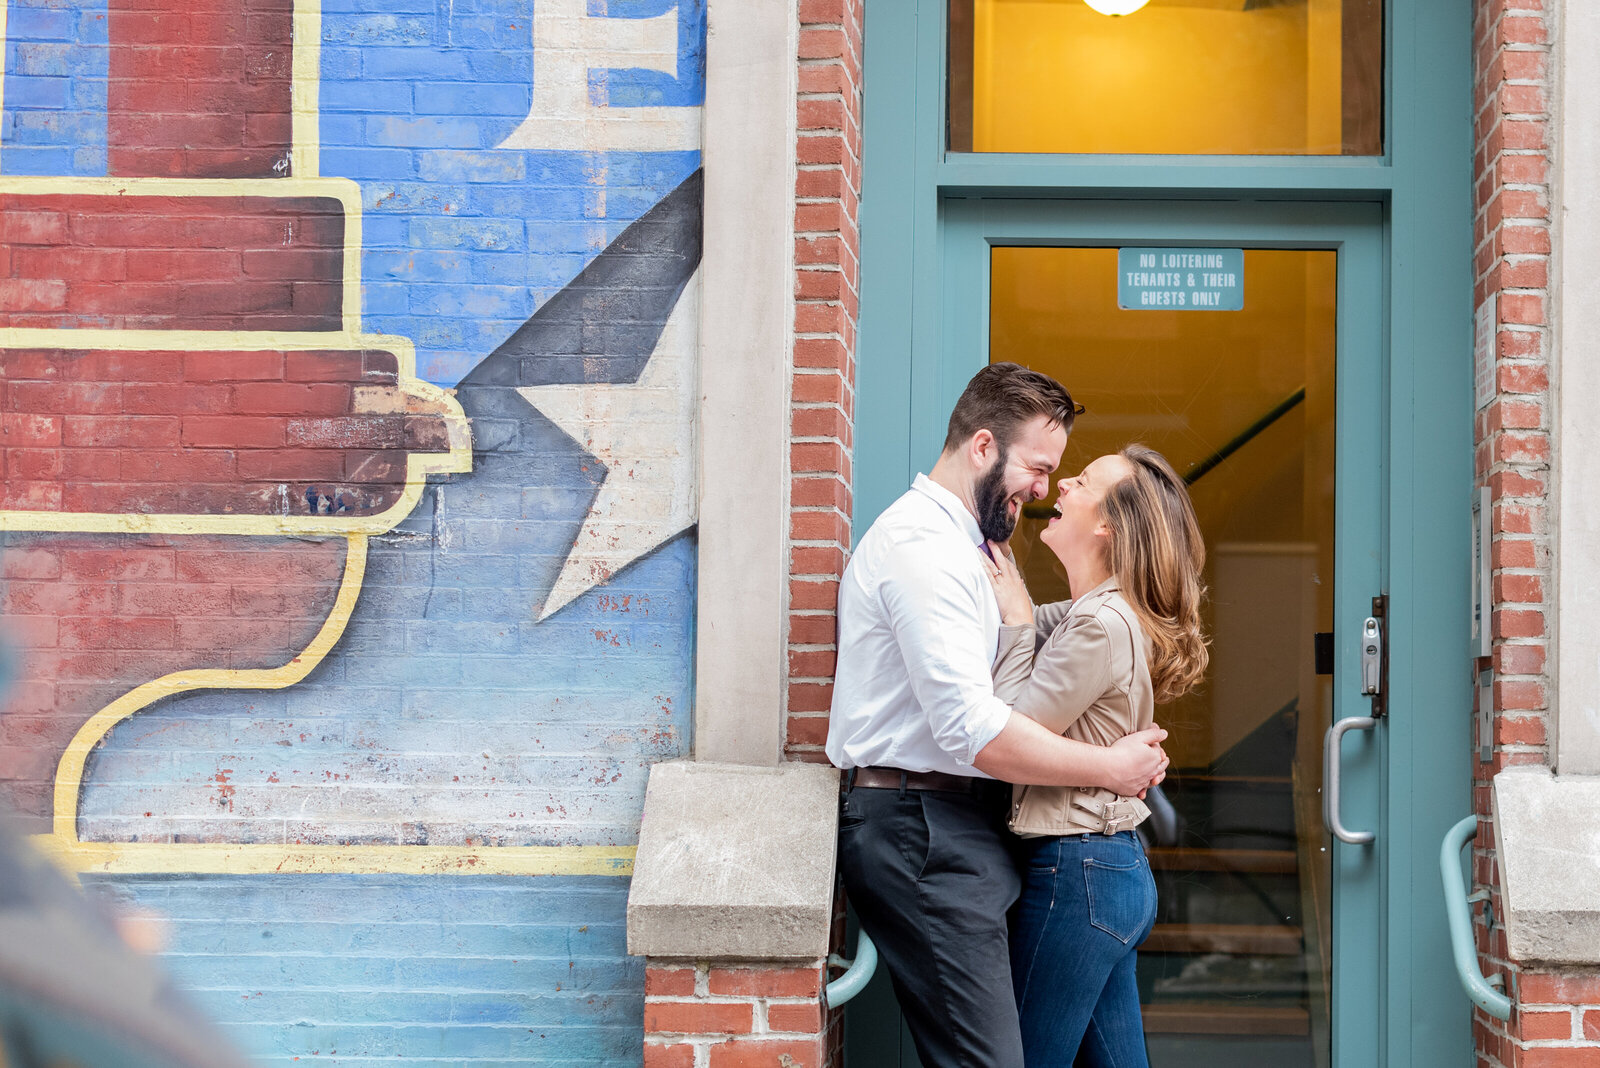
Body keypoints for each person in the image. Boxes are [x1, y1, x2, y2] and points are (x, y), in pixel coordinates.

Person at [828, 365, 1171, 1068]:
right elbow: (972, 728)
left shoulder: (972, 550)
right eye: (1039, 469)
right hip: (920, 827)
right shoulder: (924, 549)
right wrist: (1112, 767)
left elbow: (1077, 630)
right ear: (983, 447)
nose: (1046, 490)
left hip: (962, 825)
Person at [985, 444, 1210, 1068]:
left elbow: (1007, 731)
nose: (1060, 488)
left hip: (1076, 873)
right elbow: (1028, 625)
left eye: (1080, 482)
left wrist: (1012, 622)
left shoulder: (1100, 626)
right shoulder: (1099, 612)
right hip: (1107, 873)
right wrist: (1014, 613)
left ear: (1108, 524)